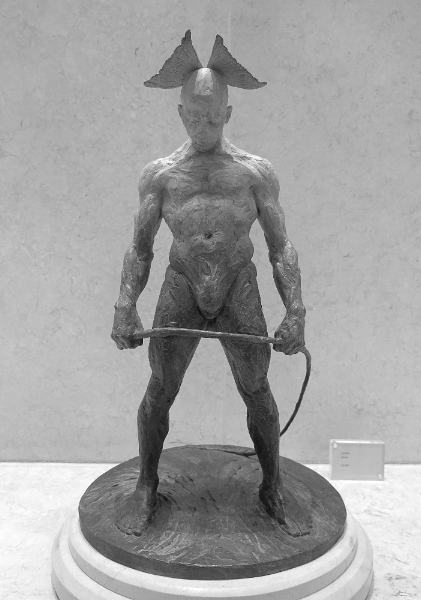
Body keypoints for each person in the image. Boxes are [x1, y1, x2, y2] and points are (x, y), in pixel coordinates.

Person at [111, 32, 306, 536]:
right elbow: (140, 247)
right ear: (180, 114)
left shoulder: (254, 173)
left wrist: (296, 311)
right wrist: (125, 305)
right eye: (194, 117)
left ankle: (272, 486)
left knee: (257, 388)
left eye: (212, 118)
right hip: (183, 284)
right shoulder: (160, 175)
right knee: (160, 388)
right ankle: (146, 485)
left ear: (228, 114)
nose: (202, 127)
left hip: (238, 283)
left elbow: (280, 247)